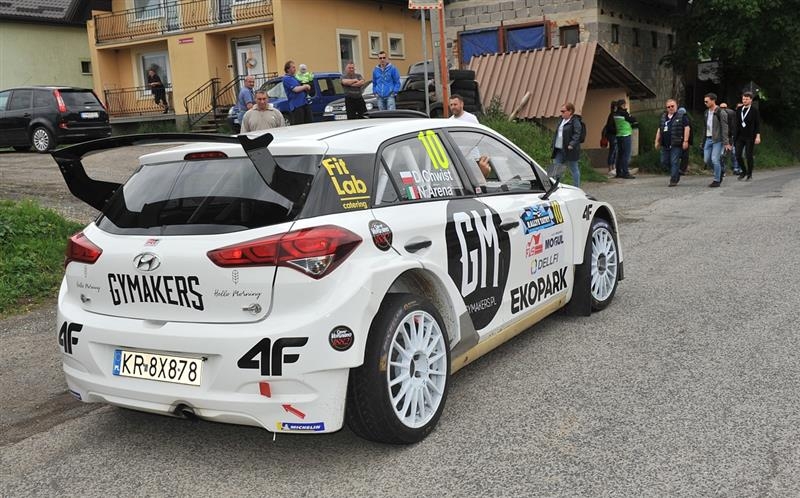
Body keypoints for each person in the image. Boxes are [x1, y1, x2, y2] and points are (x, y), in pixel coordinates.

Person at [654, 99, 690, 187]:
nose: (670, 108)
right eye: (668, 107)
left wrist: (685, 141)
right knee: (664, 161)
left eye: (672, 106)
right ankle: (677, 172)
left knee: (674, 161)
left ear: (676, 106)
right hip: (665, 144)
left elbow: (687, 128)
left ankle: (673, 180)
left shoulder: (682, 116)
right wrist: (656, 141)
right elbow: (659, 129)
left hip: (676, 143)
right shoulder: (663, 117)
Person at [550, 102, 583, 187]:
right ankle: (555, 186)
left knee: (574, 168)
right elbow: (557, 133)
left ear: (570, 111)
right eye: (561, 111)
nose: (561, 113)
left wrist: (572, 144)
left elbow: (577, 134)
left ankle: (576, 187)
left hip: (570, 149)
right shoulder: (561, 120)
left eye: (563, 111)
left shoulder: (575, 121)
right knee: (555, 168)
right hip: (559, 148)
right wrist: (553, 144)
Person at [702, 92, 730, 187]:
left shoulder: (720, 112)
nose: (705, 103)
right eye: (704, 101)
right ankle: (720, 169)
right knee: (707, 160)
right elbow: (705, 127)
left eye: (707, 101)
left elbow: (725, 127)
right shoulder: (706, 112)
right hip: (708, 138)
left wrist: (726, 142)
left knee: (714, 159)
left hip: (717, 139)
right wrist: (703, 140)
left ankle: (717, 180)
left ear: (713, 100)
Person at [735, 91, 761, 181]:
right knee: (737, 155)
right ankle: (744, 171)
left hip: (750, 136)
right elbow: (736, 123)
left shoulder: (754, 110)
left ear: (751, 100)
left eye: (746, 99)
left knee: (748, 155)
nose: (744, 101)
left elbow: (757, 124)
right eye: (743, 99)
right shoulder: (739, 109)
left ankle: (749, 174)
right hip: (740, 136)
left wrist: (758, 136)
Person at [282, 60, 312, 125]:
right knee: (299, 125)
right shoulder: (286, 78)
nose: (295, 69)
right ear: (288, 69)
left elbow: (301, 86)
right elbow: (295, 89)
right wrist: (305, 86)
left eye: (295, 67)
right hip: (297, 106)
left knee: (309, 124)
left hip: (304, 103)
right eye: (293, 67)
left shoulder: (295, 77)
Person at [613, 99, 637, 179]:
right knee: (626, 155)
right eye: (624, 105)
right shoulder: (624, 113)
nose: (625, 106)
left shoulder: (615, 113)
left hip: (619, 135)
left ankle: (618, 172)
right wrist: (631, 116)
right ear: (622, 105)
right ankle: (625, 172)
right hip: (626, 135)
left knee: (620, 154)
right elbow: (633, 119)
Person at [719, 102, 740, 175]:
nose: (723, 109)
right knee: (722, 154)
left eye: (724, 108)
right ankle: (723, 170)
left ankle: (736, 168)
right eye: (721, 108)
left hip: (731, 137)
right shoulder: (717, 114)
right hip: (720, 137)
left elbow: (733, 126)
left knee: (733, 153)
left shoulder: (731, 114)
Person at [602, 100, 617, 176]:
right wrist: (617, 130)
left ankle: (613, 167)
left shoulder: (613, 115)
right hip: (612, 135)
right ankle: (610, 168)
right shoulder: (612, 115)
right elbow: (610, 127)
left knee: (614, 151)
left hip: (613, 135)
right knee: (613, 151)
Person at [678, 105, 692, 175]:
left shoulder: (685, 119)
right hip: (683, 140)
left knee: (683, 155)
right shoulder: (688, 119)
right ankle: (682, 169)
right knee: (684, 156)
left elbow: (689, 131)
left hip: (682, 140)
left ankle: (681, 169)